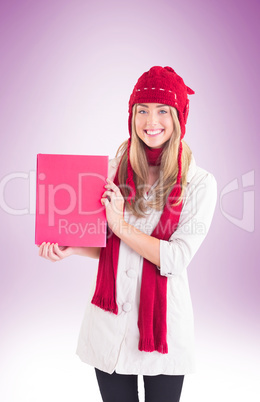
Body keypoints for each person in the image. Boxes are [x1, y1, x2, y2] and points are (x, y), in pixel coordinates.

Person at [38, 66, 217, 402]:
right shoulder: (110, 170)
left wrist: (121, 225)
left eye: (163, 110)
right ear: (132, 116)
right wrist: (72, 248)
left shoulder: (200, 183)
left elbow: (175, 258)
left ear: (178, 118)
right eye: (142, 110)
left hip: (162, 329)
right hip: (110, 323)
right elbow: (109, 246)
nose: (152, 120)